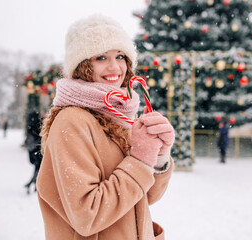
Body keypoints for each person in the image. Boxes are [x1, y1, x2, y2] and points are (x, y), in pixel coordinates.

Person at [36, 15, 175, 240]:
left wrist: (159, 158)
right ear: (82, 66)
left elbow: (144, 196)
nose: (114, 67)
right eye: (101, 57)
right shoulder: (72, 121)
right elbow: (87, 216)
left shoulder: (117, 115)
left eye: (120, 56)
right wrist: (140, 160)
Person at [24, 110, 43, 194]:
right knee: (38, 169)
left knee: (37, 168)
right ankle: (34, 184)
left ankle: (33, 183)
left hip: (32, 151)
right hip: (37, 151)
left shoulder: (29, 125)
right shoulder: (36, 124)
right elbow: (39, 137)